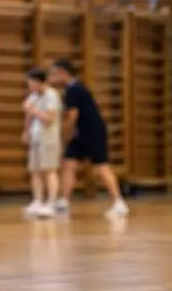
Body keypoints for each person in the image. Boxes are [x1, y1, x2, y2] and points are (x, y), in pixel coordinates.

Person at [48, 58, 129, 218]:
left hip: (92, 132)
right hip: (80, 134)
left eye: (54, 74)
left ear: (63, 73)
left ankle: (119, 202)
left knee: (101, 166)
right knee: (68, 163)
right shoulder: (72, 89)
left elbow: (72, 115)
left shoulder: (74, 90)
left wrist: (65, 135)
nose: (52, 78)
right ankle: (63, 202)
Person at [21, 68, 62, 218]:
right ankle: (37, 201)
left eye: (31, 82)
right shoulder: (33, 96)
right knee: (35, 170)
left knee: (49, 170)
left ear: (39, 82)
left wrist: (33, 110)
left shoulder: (51, 95)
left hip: (49, 139)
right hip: (36, 137)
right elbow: (28, 116)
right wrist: (26, 131)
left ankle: (51, 202)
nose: (29, 85)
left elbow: (49, 119)